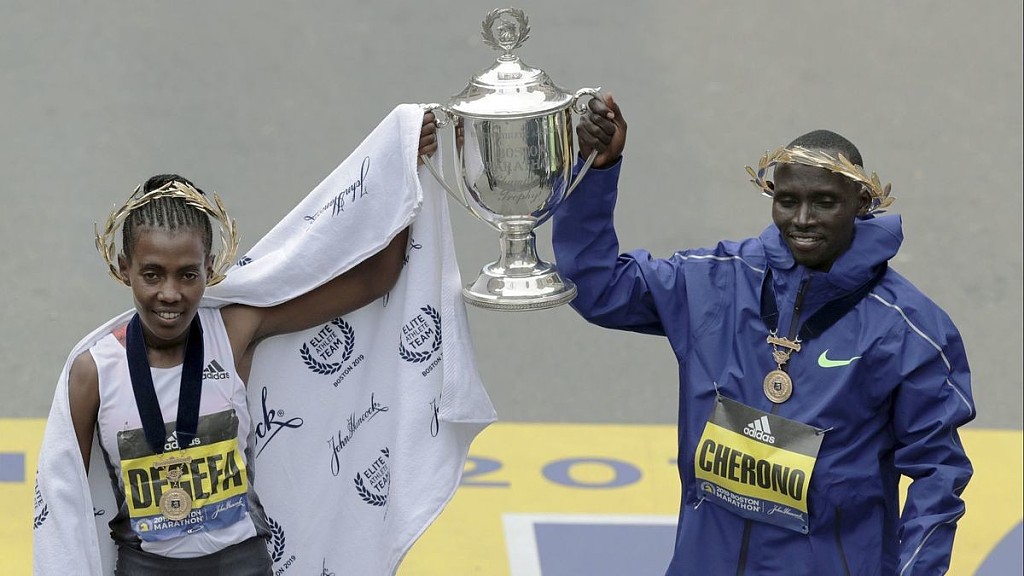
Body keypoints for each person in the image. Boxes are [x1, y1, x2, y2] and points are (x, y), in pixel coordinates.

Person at [552, 95, 975, 575]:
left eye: (825, 202)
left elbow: (938, 474)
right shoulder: (714, 280)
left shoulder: (908, 329)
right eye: (788, 200)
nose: (802, 220)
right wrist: (597, 171)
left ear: (862, 204)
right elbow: (597, 287)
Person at [64, 113, 438, 574]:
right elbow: (66, 502)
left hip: (240, 564)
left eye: (188, 275)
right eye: (152, 274)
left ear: (211, 269)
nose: (170, 294)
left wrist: (401, 168)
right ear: (124, 269)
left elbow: (373, 280)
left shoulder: (233, 332)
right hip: (144, 567)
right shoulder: (94, 372)